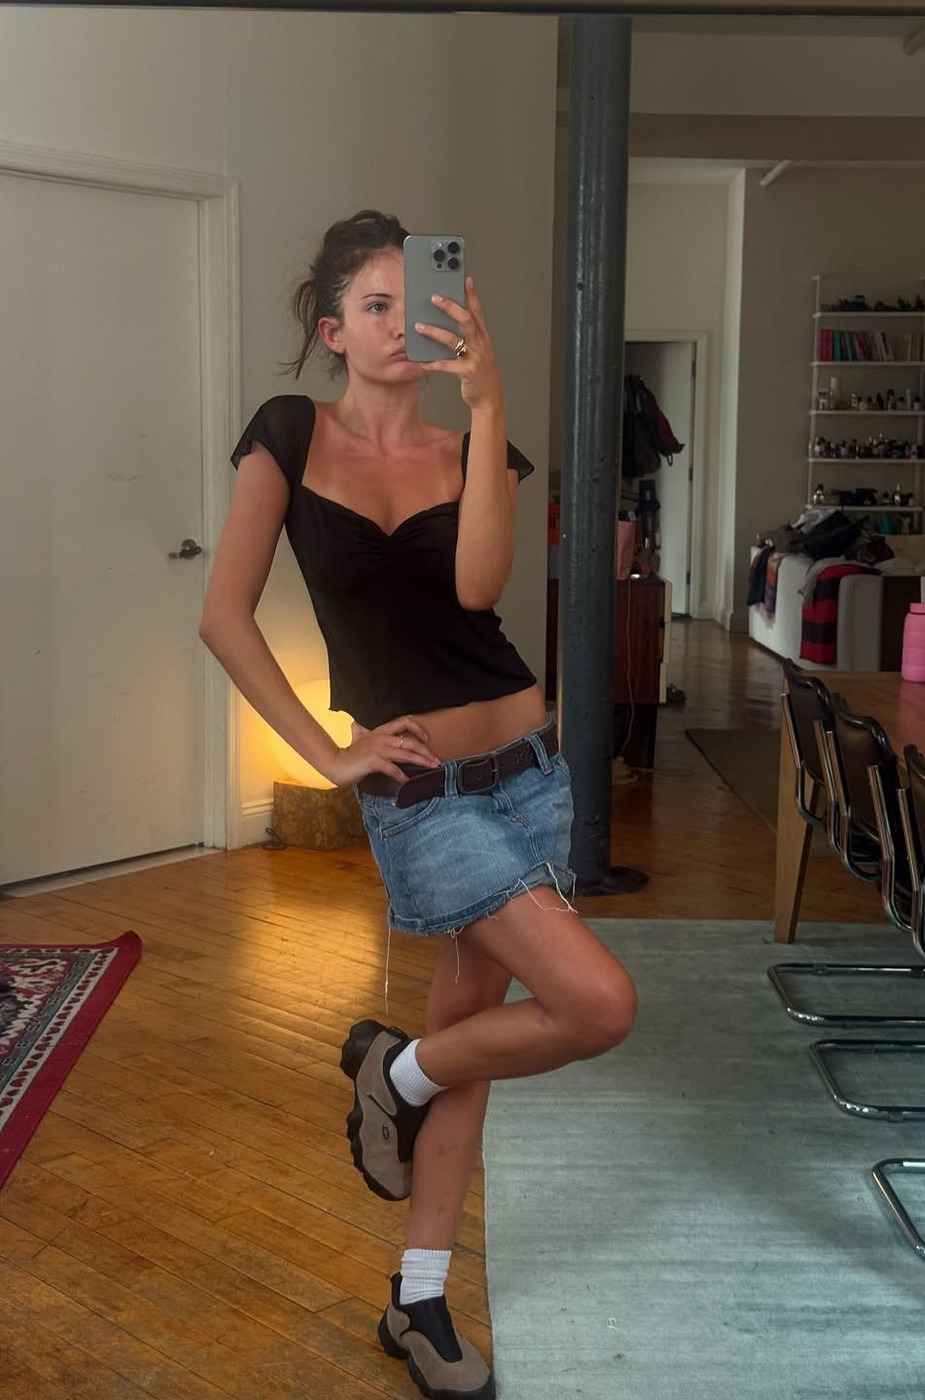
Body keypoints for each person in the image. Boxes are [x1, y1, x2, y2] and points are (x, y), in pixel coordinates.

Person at [199, 210, 637, 1400]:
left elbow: (481, 589)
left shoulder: (472, 443)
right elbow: (223, 615)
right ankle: (395, 1074)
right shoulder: (288, 436)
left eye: (419, 300)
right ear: (332, 328)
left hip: (530, 771)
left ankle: (420, 1299)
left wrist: (489, 407)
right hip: (424, 794)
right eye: (376, 305)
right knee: (598, 1002)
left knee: (469, 1045)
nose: (403, 323)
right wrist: (328, 754)